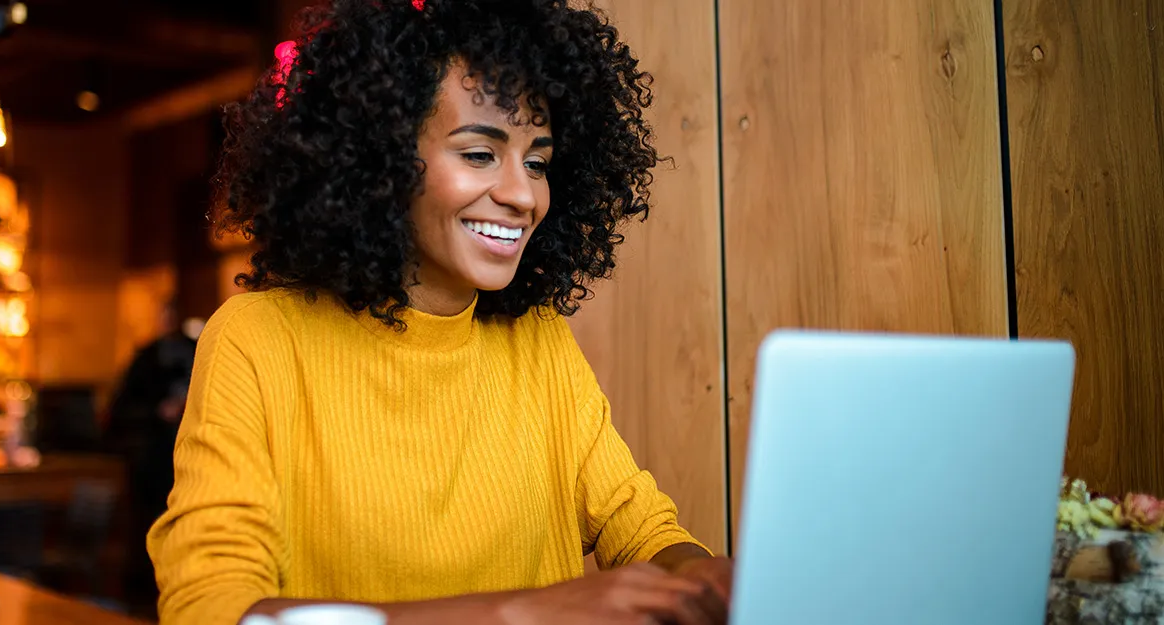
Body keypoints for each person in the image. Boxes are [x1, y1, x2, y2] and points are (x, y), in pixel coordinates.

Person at [149, 0, 735, 623]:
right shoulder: (258, 339)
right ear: (382, 160)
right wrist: (519, 614)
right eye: (479, 154)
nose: (521, 194)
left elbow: (643, 530)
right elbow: (211, 609)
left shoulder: (537, 341)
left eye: (537, 162)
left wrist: (709, 577)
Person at [108, 299, 197, 609]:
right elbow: (118, 412)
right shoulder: (145, 357)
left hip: (195, 460)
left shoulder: (199, 348)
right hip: (155, 462)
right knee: (153, 528)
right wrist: (159, 412)